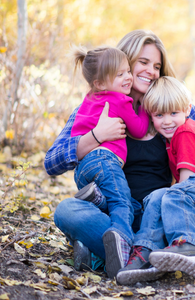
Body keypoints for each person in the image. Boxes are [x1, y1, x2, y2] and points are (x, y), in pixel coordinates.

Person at [45, 30, 195, 279]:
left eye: (156, 66)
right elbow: (52, 161)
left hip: (161, 213)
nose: (150, 71)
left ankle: (111, 256)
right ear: (125, 62)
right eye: (142, 62)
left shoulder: (165, 108)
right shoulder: (99, 107)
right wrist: (96, 136)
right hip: (116, 214)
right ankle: (176, 254)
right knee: (67, 210)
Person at [116, 77, 195, 284]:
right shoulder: (172, 136)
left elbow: (184, 185)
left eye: (173, 113)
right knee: (157, 196)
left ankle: (187, 245)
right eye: (159, 115)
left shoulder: (186, 132)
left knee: (172, 194)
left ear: (187, 109)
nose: (167, 121)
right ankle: (144, 253)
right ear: (150, 116)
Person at [69, 46, 150, 278]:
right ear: (100, 83)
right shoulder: (121, 101)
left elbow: (76, 137)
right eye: (120, 75)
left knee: (121, 203)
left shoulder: (89, 99)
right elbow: (139, 128)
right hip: (106, 160)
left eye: (127, 72)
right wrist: (143, 105)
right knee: (122, 203)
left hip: (83, 168)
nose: (128, 78)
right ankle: (121, 241)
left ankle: (98, 200)